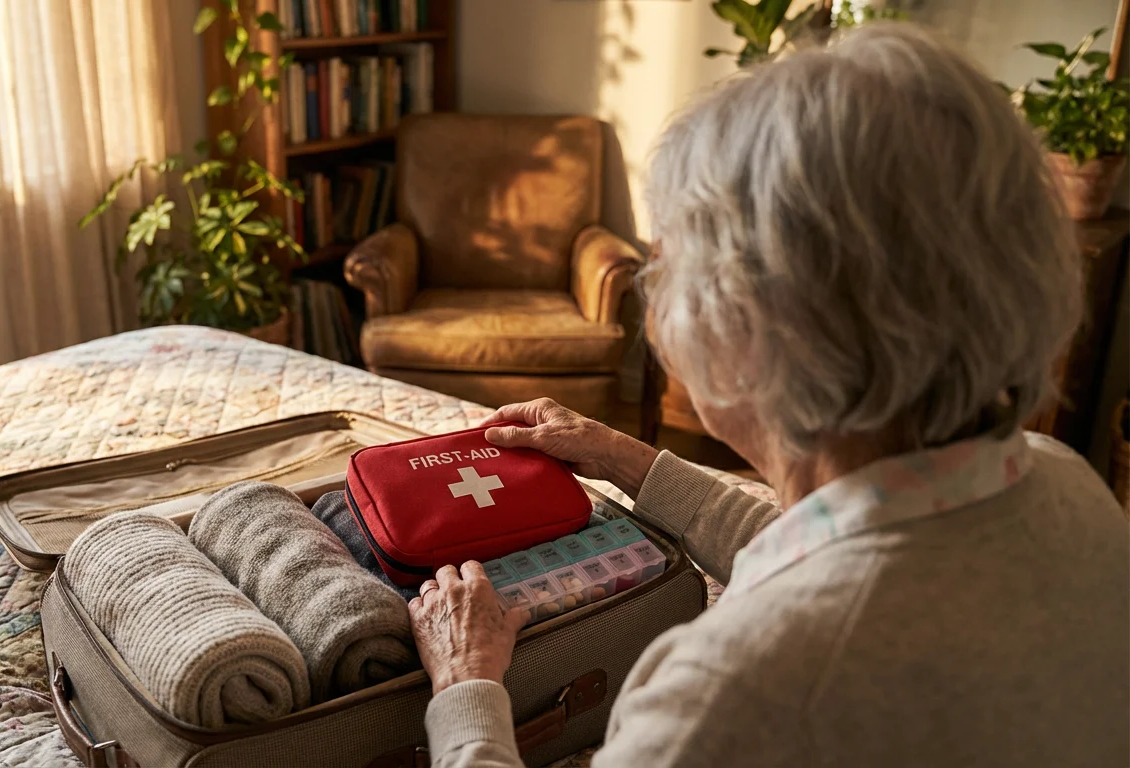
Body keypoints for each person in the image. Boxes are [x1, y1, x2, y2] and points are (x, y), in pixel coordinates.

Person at [406, 23, 1129, 768]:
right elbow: (835, 551)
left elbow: (831, 603)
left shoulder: (727, 692)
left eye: (670, 264)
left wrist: (465, 687)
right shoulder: (1064, 479)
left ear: (752, 326)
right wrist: (624, 458)